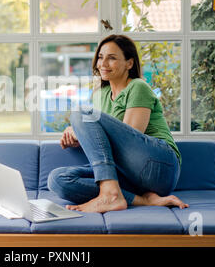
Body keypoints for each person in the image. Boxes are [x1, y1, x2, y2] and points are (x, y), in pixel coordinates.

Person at [47, 34, 189, 213]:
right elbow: (102, 144)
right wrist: (81, 134)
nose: (103, 63)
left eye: (112, 58)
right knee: (57, 179)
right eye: (100, 57)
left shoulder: (137, 87)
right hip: (129, 175)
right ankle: (139, 199)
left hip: (159, 165)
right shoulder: (100, 95)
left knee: (81, 113)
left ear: (129, 63)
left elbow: (131, 136)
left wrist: (79, 127)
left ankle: (110, 193)